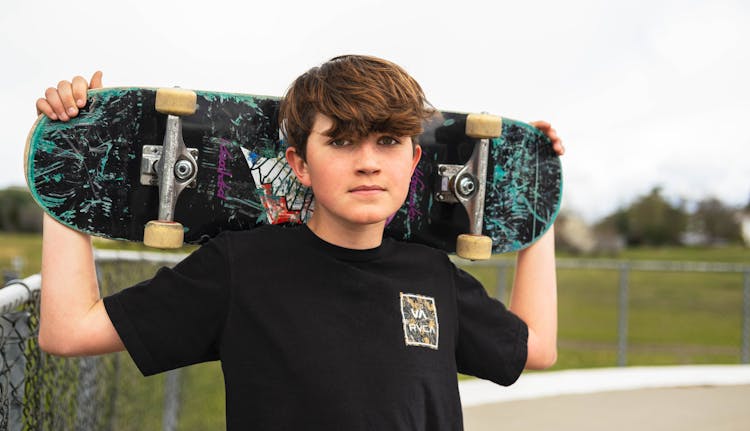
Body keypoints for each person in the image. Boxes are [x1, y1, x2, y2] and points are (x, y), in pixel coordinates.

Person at [36, 55, 563, 430]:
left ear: (413, 160)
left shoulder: (433, 275)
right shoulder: (241, 268)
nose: (368, 161)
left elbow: (535, 348)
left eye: (388, 141)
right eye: (340, 140)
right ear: (298, 164)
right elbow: (69, 331)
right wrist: (67, 172)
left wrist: (538, 202)